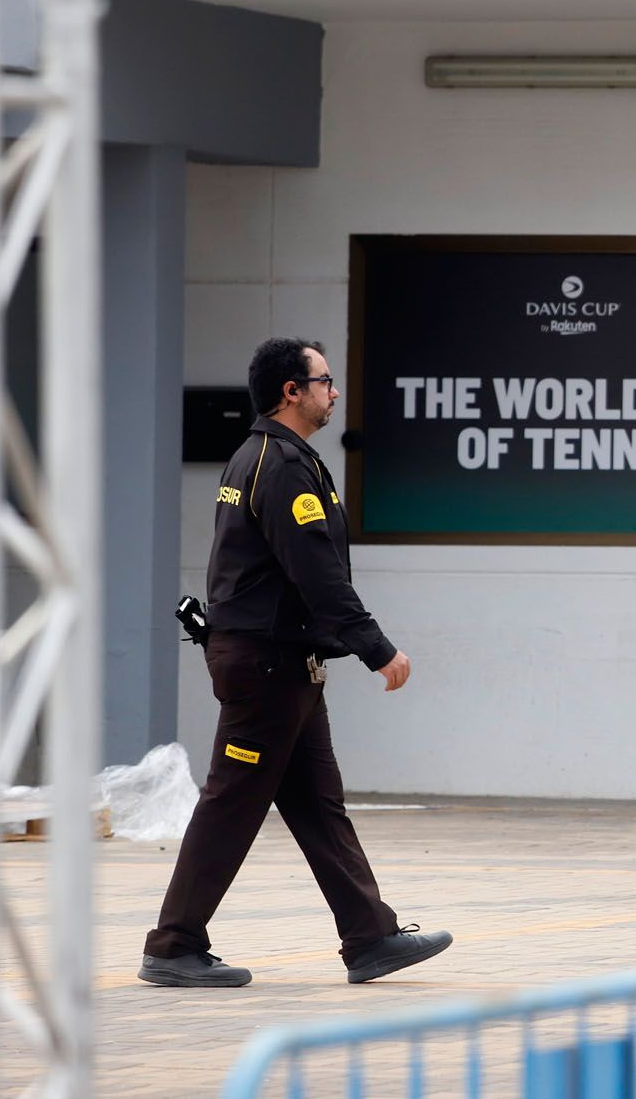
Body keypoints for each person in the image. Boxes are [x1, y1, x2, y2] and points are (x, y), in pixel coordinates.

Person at [140, 338, 452, 988]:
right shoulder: (280, 465)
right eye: (324, 381)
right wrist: (376, 648)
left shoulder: (266, 457)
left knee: (318, 805)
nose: (333, 392)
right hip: (267, 668)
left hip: (284, 665)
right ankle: (173, 945)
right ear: (292, 391)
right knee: (231, 804)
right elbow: (315, 572)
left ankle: (369, 937)